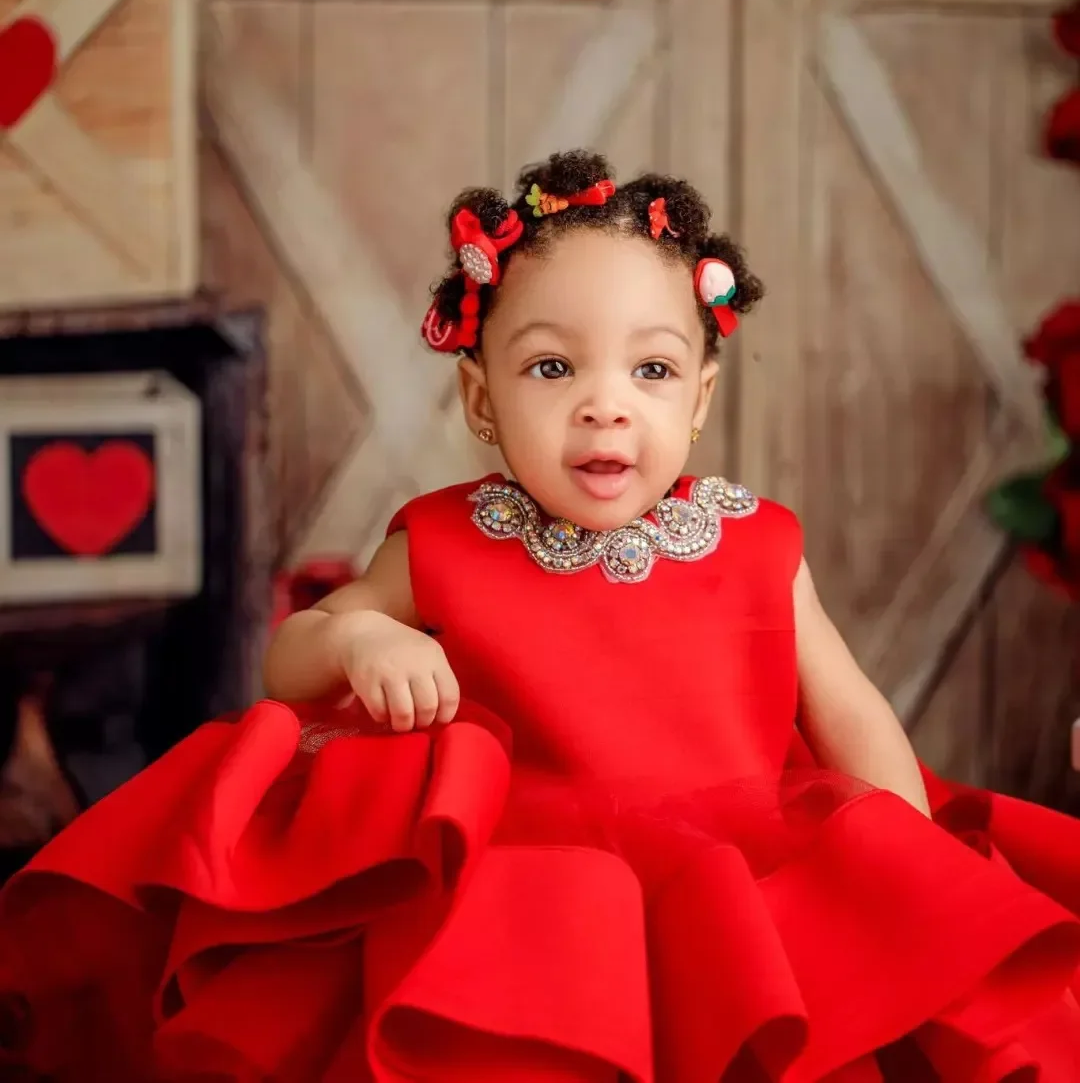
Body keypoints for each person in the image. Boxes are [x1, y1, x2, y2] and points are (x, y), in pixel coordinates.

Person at [3, 151, 1080, 1083]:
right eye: (552, 366)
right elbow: (291, 662)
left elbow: (847, 710)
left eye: (651, 369)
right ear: (482, 399)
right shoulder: (446, 542)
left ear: (699, 397)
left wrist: (908, 864)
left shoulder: (756, 542)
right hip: (532, 905)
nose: (605, 402)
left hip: (743, 881)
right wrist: (363, 635)